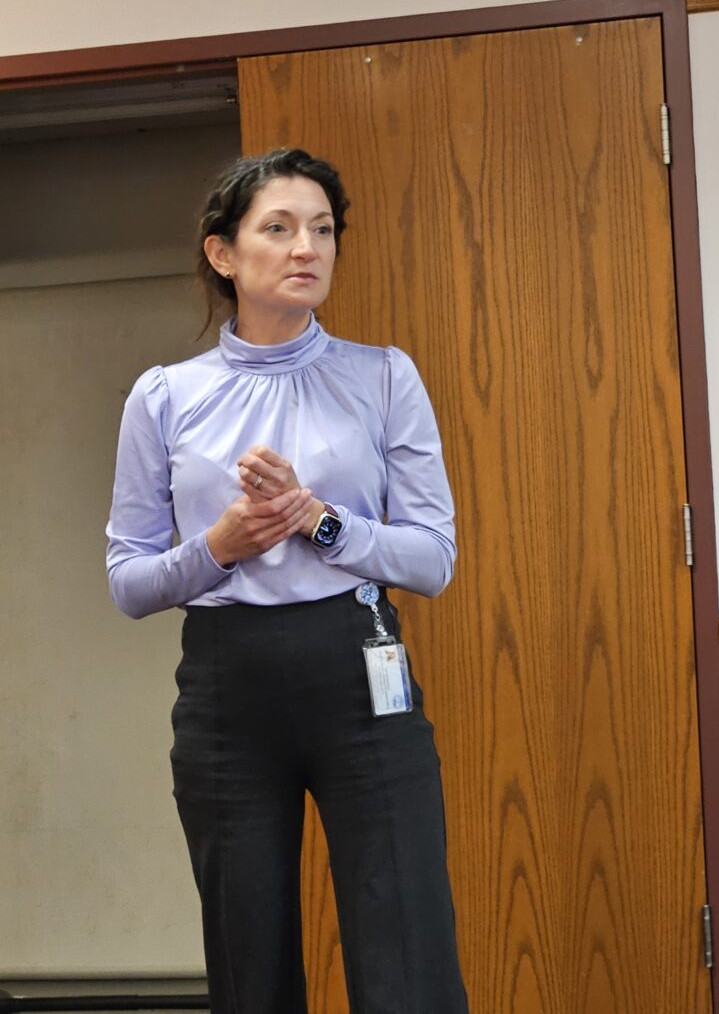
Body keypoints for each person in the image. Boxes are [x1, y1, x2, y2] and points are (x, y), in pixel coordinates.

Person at [106, 148, 469, 1014]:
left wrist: (321, 521)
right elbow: (129, 581)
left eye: (323, 229)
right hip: (228, 683)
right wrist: (220, 545)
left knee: (406, 946)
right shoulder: (163, 397)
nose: (307, 247)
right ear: (223, 254)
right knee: (248, 956)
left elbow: (433, 559)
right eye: (279, 228)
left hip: (358, 668)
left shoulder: (384, 375)